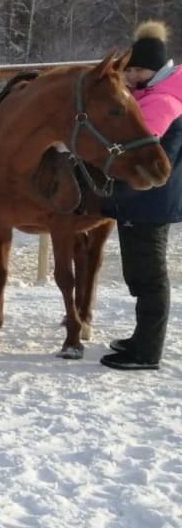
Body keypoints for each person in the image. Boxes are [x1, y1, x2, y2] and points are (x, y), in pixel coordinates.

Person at [101, 20, 182, 371]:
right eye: (129, 69)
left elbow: (137, 146)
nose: (131, 76)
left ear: (157, 69)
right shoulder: (151, 94)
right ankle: (141, 339)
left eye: (137, 69)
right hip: (142, 199)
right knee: (140, 273)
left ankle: (147, 352)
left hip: (151, 200)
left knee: (149, 276)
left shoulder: (162, 101)